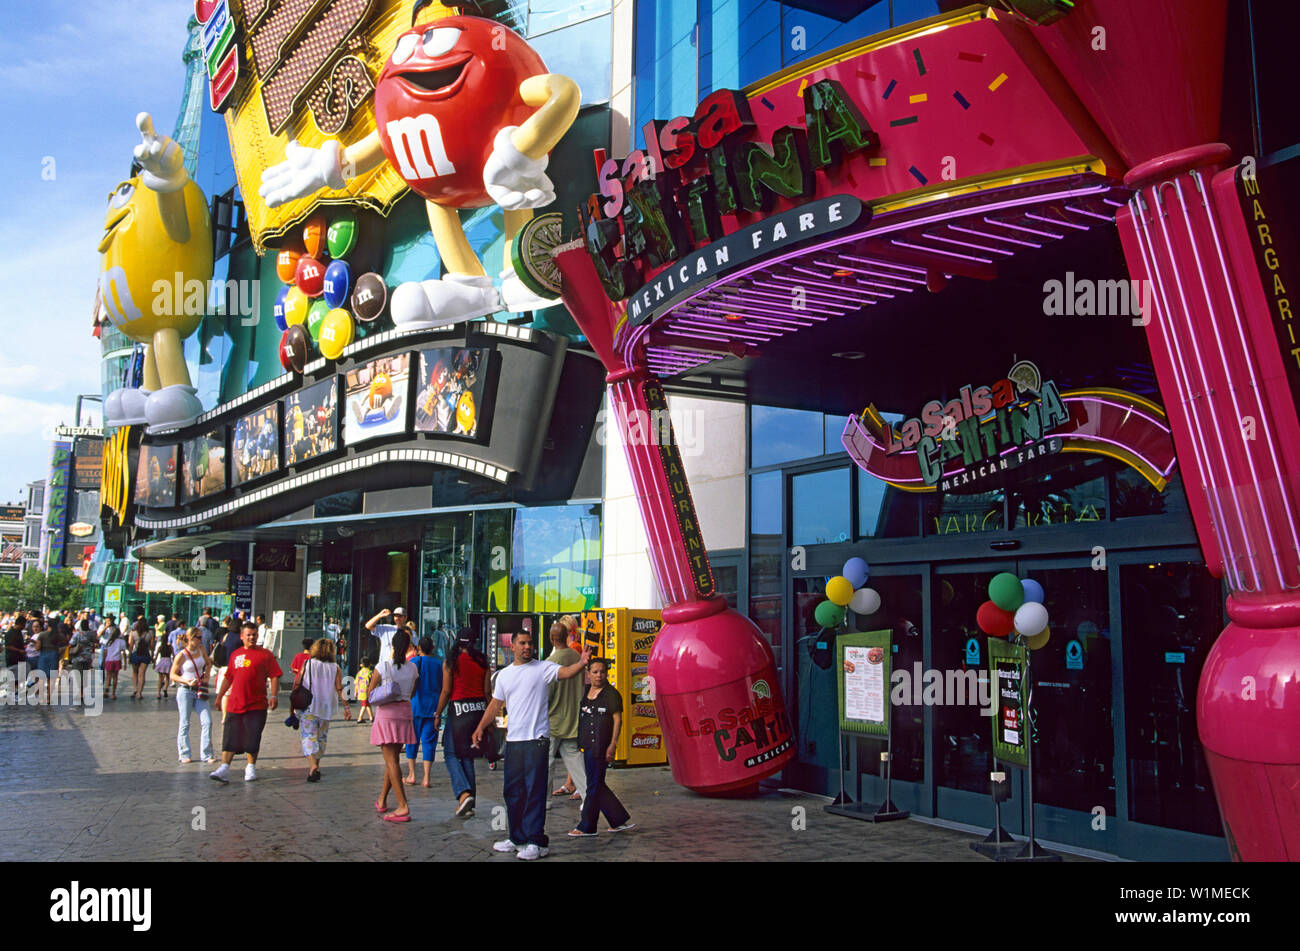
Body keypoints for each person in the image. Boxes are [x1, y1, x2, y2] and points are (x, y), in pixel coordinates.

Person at [472, 631, 590, 860]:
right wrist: (480, 727)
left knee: (535, 790)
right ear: (513, 646)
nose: (527, 647)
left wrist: (582, 663)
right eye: (522, 643)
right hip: (514, 741)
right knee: (513, 791)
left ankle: (537, 841)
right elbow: (495, 704)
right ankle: (517, 837)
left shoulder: (543, 668)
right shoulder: (504, 675)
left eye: (530, 643)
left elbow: (565, 673)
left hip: (537, 740)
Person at [568, 656, 634, 837]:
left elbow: (617, 720)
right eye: (595, 672)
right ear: (588, 674)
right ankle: (618, 819)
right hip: (586, 744)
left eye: (602, 672)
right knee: (596, 784)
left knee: (593, 786)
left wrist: (613, 744)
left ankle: (587, 826)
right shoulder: (585, 691)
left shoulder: (612, 694)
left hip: (601, 746)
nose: (599, 675)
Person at [210, 621, 282, 783]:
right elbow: (229, 677)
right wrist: (220, 696)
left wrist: (274, 695)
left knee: (252, 736)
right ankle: (224, 768)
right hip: (235, 704)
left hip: (256, 704)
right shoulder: (236, 655)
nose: (251, 637)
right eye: (248, 635)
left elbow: (275, 675)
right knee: (230, 736)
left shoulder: (266, 655)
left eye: (254, 635)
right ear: (241, 636)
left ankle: (250, 767)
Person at [435, 627, 493, 818]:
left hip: (458, 710)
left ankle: (463, 793)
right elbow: (487, 692)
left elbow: (446, 691)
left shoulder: (451, 662)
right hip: (478, 711)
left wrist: (437, 714)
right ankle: (469, 801)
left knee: (451, 753)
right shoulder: (483, 661)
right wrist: (489, 717)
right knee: (467, 754)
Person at [370, 629, 418, 822]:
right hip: (405, 713)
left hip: (387, 713)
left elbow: (371, 691)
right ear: (408, 646)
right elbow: (413, 692)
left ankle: (402, 805)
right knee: (394, 761)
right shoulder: (413, 668)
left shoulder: (383, 666)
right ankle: (382, 799)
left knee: (391, 762)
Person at [295, 637, 349, 783]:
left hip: (309, 707)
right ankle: (316, 766)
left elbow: (297, 683)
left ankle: (313, 766)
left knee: (308, 736)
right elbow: (339, 688)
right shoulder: (335, 667)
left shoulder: (308, 664)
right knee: (321, 738)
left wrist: (292, 705)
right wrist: (346, 707)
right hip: (326, 708)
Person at [546, 622, 587, 804]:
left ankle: (544, 802)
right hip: (573, 718)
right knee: (576, 762)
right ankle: (588, 799)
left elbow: (546, 695)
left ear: (552, 639)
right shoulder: (577, 657)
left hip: (553, 721)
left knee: (546, 763)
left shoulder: (550, 663)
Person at [404, 636, 443, 788]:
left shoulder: (413, 662)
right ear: (432, 648)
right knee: (429, 743)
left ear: (418, 648)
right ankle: (426, 778)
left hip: (414, 707)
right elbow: (442, 686)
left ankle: (412, 774)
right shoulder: (439, 664)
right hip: (433, 708)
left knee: (411, 741)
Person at [171, 629, 214, 764]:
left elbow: (208, 663)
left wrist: (206, 674)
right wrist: (186, 681)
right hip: (185, 690)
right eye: (198, 637)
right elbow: (172, 674)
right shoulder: (182, 655)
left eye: (201, 637)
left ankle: (206, 754)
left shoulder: (201, 649)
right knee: (185, 723)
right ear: (190, 638)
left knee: (207, 721)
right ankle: (184, 753)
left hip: (199, 689)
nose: (200, 640)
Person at [101, 615, 126, 699]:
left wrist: (104, 661)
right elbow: (124, 652)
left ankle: (106, 688)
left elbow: (105, 651)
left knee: (108, 675)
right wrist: (125, 662)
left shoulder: (108, 642)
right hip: (117, 660)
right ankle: (113, 694)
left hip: (109, 660)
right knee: (115, 676)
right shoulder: (121, 642)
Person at [128, 619, 153, 701]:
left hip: (136, 653)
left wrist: (129, 655)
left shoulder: (133, 633)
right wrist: (152, 655)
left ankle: (135, 688)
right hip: (145, 654)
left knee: (135, 672)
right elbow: (152, 646)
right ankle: (139, 692)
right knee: (142, 674)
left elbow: (131, 645)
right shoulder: (150, 633)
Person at [355, 648, 377, 724]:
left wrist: (355, 692)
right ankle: (359, 718)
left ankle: (371, 717)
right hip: (367, 691)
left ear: (361, 665)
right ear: (370, 664)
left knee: (367, 704)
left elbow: (356, 683)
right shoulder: (370, 672)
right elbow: (373, 682)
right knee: (364, 705)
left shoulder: (359, 673)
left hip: (361, 692)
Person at [154, 634, 174, 700]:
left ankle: (158, 693)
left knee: (160, 679)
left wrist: (154, 664)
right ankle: (165, 688)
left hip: (162, 661)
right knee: (167, 678)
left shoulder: (160, 647)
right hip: (168, 661)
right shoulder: (170, 647)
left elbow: (156, 656)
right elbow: (173, 656)